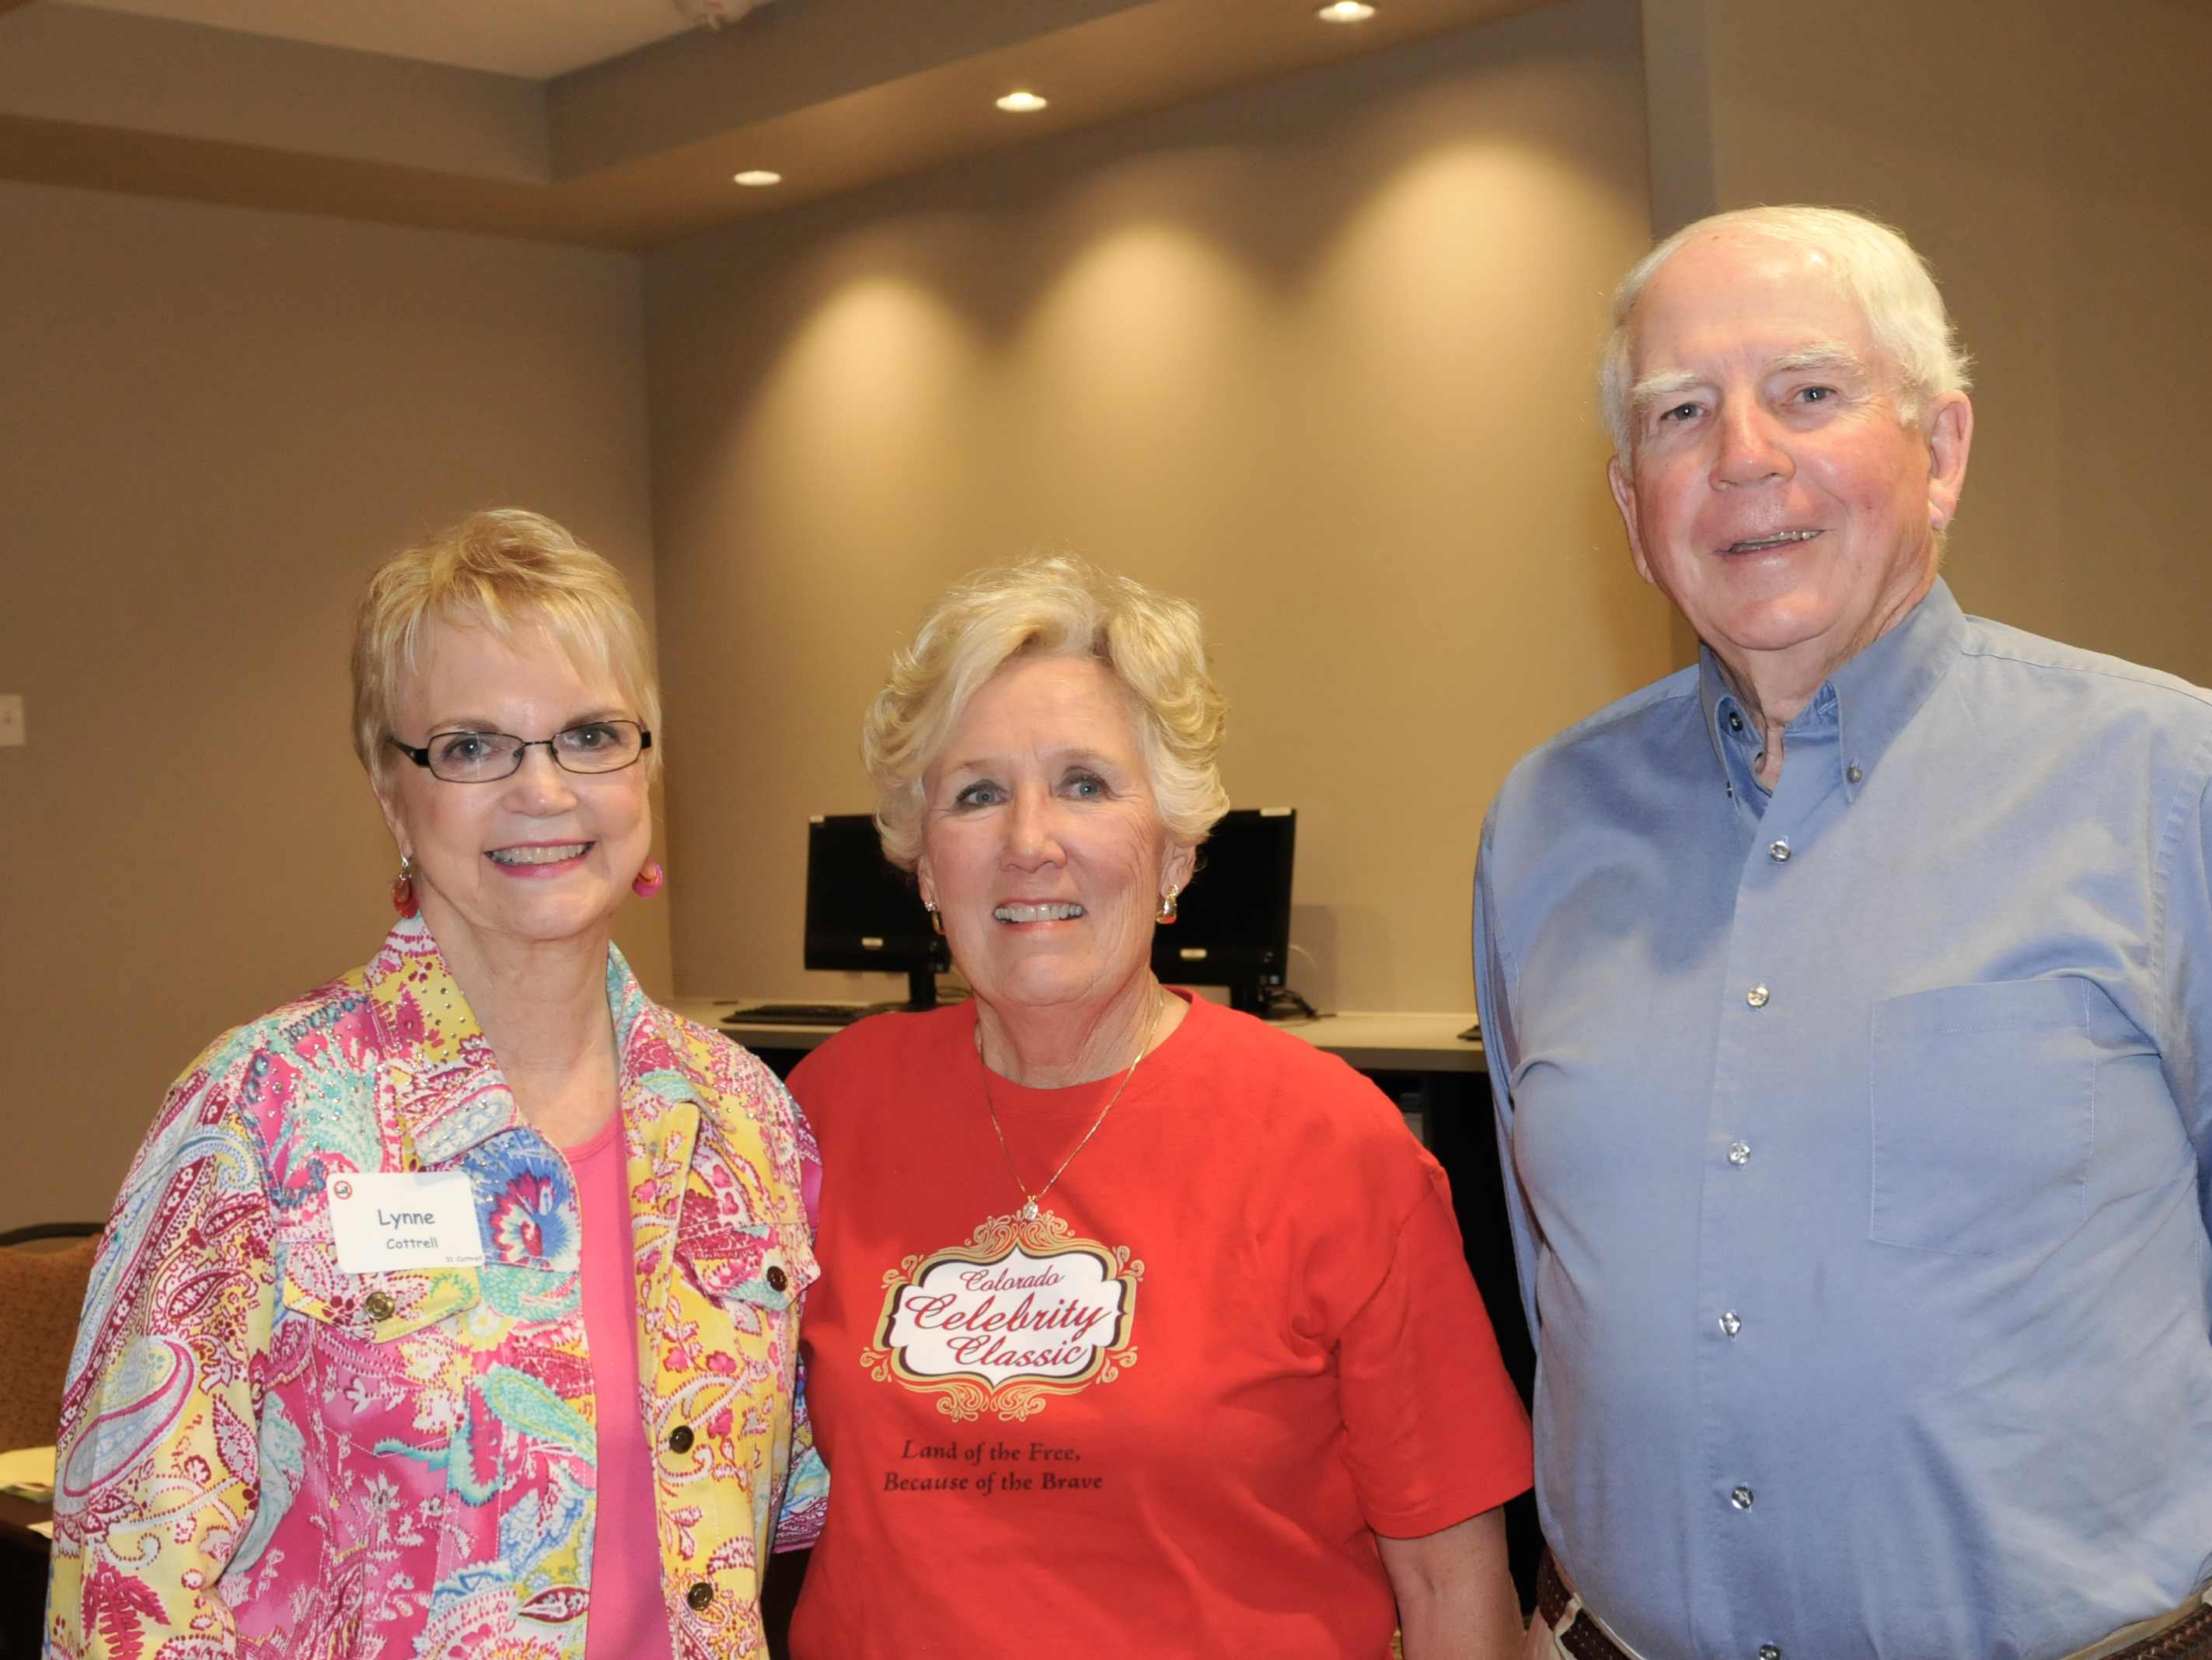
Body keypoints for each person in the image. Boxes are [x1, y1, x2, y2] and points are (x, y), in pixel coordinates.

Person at [1474, 206, 2212, 1660]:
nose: (1743, 455)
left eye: (1810, 392)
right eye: (1683, 413)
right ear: (1630, 503)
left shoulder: (2170, 782)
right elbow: (1560, 1293)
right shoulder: (1541, 828)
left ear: (1941, 450)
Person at [51, 511, 825, 1660]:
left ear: (647, 767)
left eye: (591, 736)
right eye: (472, 747)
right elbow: (128, 1583)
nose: (544, 790)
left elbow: (802, 1502)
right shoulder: (258, 1114)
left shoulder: (745, 1118)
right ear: (388, 790)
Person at [784, 552, 1533, 1659]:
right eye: (978, 792)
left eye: (1086, 783)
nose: (1030, 840)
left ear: (1175, 848)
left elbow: (1450, 1587)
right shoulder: (829, 1111)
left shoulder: (1330, 1141)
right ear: (925, 866)